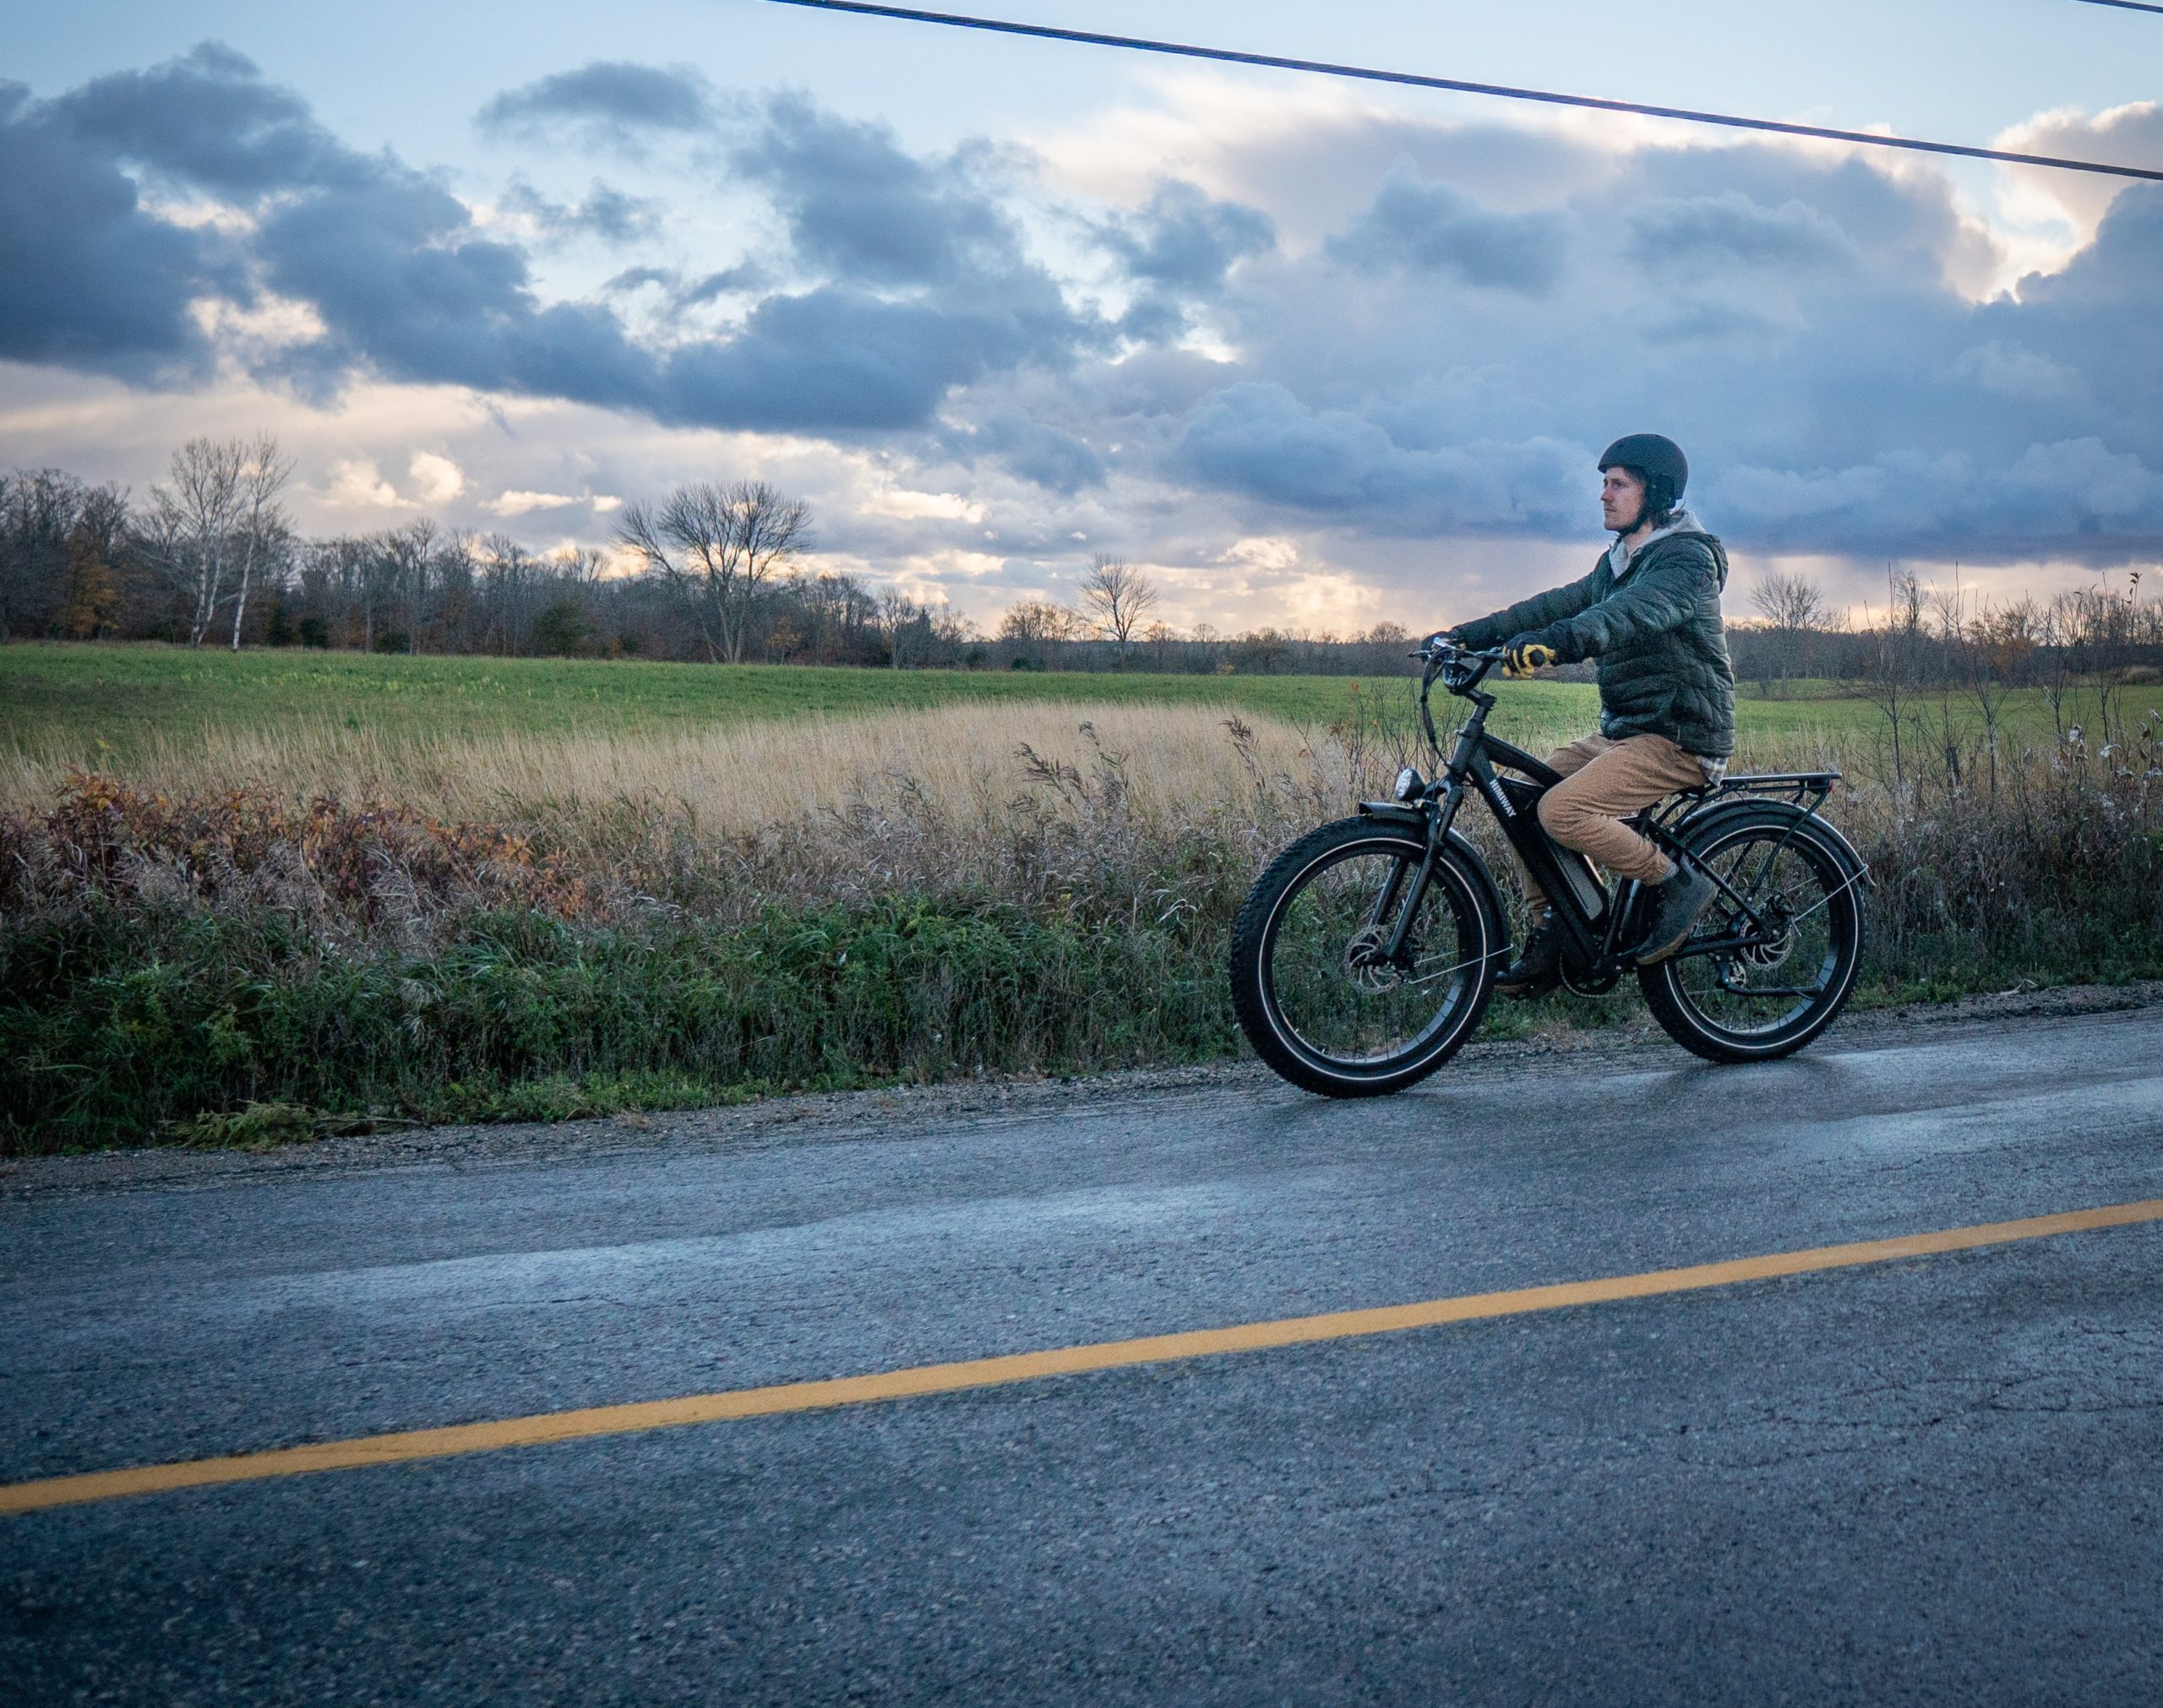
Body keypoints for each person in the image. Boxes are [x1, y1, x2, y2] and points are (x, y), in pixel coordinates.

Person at [1438, 433, 1735, 993]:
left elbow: (1628, 615)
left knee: (1562, 812)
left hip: (1680, 736)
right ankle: (1557, 930)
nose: (1604, 495)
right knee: (1525, 796)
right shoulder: (1618, 561)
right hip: (1628, 733)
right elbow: (1558, 603)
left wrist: (1558, 644)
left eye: (1618, 484)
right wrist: (1464, 635)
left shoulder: (1685, 561)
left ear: (1655, 493)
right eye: (1604, 483)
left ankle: (1674, 883)